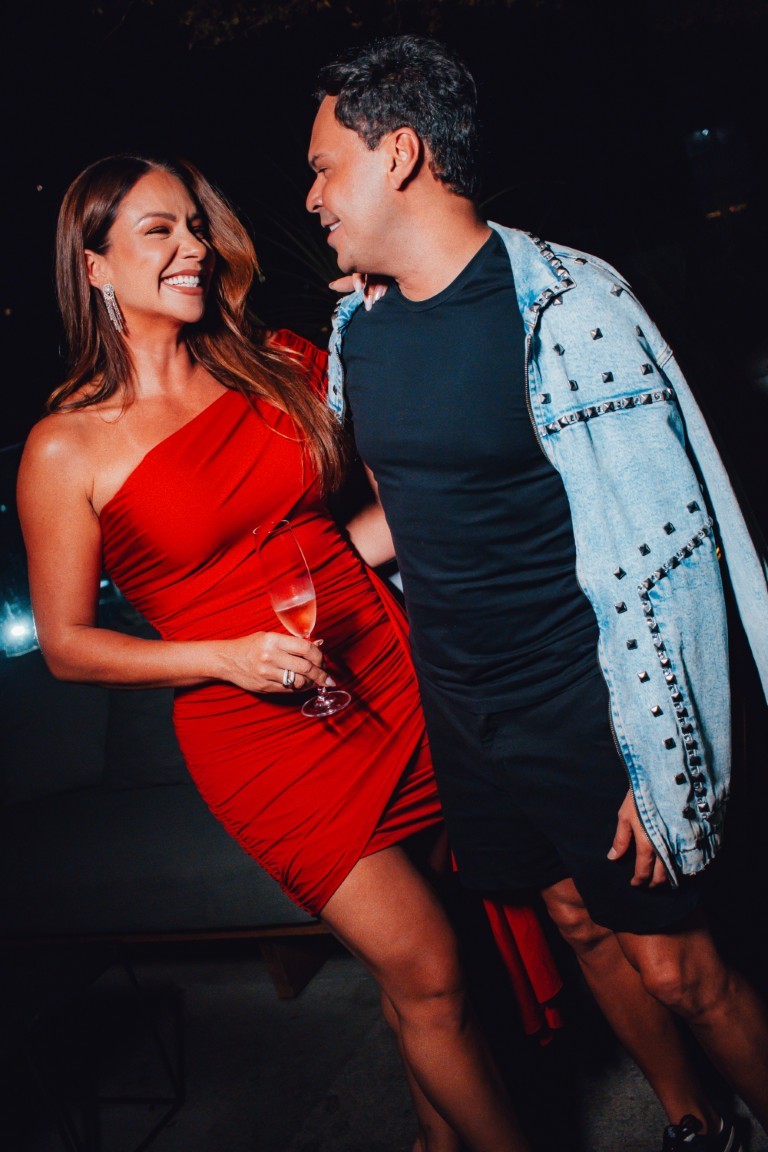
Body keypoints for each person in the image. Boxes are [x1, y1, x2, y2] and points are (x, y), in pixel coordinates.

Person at [16, 152, 547, 1152]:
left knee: (424, 970)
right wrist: (221, 657)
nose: (191, 247)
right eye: (158, 231)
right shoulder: (66, 446)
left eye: (194, 225)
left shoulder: (280, 364)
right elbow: (68, 649)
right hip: (260, 736)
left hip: (384, 672)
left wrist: (400, 325)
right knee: (432, 971)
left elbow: (379, 510)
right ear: (93, 266)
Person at [306, 34, 768, 1152]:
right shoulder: (359, 329)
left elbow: (672, 555)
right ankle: (692, 1122)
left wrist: (660, 752)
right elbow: (410, 509)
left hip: (587, 701)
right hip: (466, 708)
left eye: (323, 167)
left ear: (398, 153)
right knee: (573, 920)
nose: (311, 197)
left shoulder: (566, 308)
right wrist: (291, 583)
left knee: (680, 966)